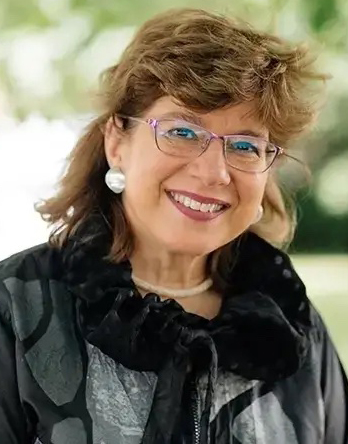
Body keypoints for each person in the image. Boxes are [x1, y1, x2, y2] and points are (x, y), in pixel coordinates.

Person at [0, 7, 347, 444]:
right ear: (117, 143)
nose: (213, 173)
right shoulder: (18, 308)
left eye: (245, 145)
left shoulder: (290, 325)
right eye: (183, 133)